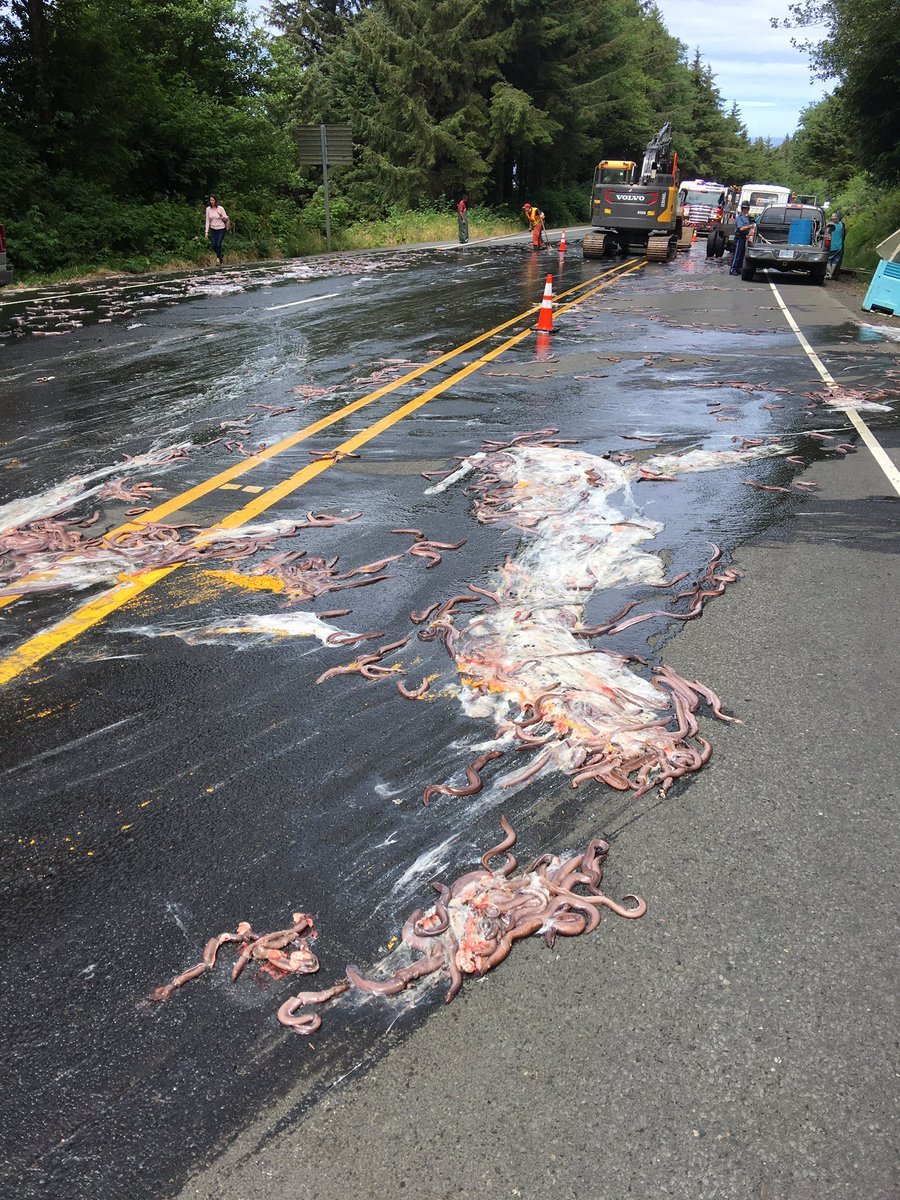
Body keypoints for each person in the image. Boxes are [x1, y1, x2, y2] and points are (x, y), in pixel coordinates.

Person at [730, 200, 753, 275]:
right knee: (737, 254)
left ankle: (738, 269)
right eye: (747, 208)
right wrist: (750, 226)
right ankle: (733, 269)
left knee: (742, 254)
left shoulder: (746, 218)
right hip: (739, 237)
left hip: (744, 237)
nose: (748, 210)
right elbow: (741, 228)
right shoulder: (739, 217)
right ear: (744, 209)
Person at [204, 195, 229, 265]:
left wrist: (222, 216)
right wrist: (206, 231)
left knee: (218, 244)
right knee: (213, 245)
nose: (212, 202)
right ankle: (220, 255)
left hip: (221, 228)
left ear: (215, 201)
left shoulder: (220, 208)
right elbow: (207, 221)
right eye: (210, 200)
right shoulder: (208, 209)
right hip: (213, 229)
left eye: (213, 200)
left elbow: (226, 218)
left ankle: (218, 259)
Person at [826, 210, 845, 279]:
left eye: (834, 219)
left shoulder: (831, 225)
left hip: (832, 246)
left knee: (828, 260)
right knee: (835, 261)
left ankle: (829, 274)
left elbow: (826, 228)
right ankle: (831, 274)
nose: (833, 220)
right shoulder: (841, 225)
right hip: (839, 246)